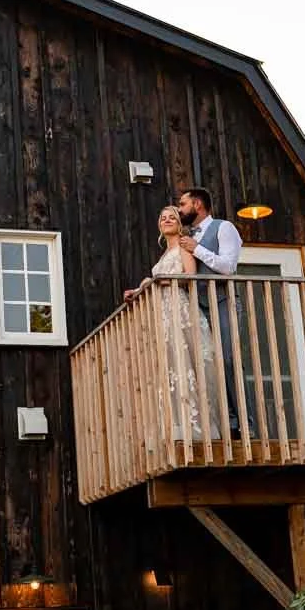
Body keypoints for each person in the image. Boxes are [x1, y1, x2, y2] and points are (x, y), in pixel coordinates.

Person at [124, 206, 218, 439]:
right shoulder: (164, 255)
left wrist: (158, 281)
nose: (166, 220)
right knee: (170, 366)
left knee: (185, 362)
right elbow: (156, 282)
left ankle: (196, 426)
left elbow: (189, 276)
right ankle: (176, 424)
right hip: (163, 311)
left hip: (179, 307)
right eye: (162, 218)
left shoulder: (183, 246)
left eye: (171, 218)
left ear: (179, 224)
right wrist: (138, 290)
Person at [175, 187, 251, 436]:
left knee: (228, 359)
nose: (179, 209)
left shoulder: (224, 227)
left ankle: (245, 423)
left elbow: (228, 267)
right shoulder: (185, 236)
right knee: (208, 365)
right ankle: (225, 422)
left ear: (197, 204)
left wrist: (197, 249)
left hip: (223, 301)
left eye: (183, 204)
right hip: (198, 307)